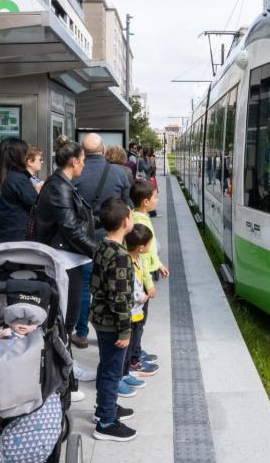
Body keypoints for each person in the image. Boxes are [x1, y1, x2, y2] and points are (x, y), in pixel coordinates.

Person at [32, 136, 95, 398]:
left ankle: (67, 366)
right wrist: (99, 250)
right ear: (73, 161)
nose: (84, 165)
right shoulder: (59, 187)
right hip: (63, 259)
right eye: (82, 161)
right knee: (65, 316)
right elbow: (69, 227)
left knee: (68, 314)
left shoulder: (63, 184)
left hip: (70, 258)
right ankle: (62, 378)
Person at [71, 133, 132, 349]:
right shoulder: (119, 173)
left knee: (86, 286)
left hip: (82, 238)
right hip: (112, 239)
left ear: (82, 151)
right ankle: (111, 331)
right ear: (103, 149)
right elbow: (127, 204)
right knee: (113, 285)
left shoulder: (75, 173)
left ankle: (81, 333)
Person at [90, 198, 138, 442]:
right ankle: (106, 422)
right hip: (112, 323)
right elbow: (118, 297)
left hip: (99, 318)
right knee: (112, 371)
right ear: (124, 222)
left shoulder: (103, 245)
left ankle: (104, 407)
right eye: (130, 215)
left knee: (105, 364)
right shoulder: (120, 255)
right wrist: (124, 330)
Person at [128, 179, 166, 376]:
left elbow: (148, 252)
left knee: (138, 322)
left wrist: (158, 264)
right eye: (155, 197)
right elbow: (141, 256)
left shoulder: (137, 215)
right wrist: (149, 284)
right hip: (142, 280)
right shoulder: (141, 222)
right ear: (145, 201)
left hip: (145, 274)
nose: (157, 200)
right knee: (138, 321)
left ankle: (136, 351)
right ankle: (134, 360)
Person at [120, 224, 154, 389]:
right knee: (126, 348)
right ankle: (122, 375)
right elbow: (133, 289)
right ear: (141, 247)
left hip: (136, 312)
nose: (150, 246)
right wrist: (144, 297)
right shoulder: (128, 264)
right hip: (130, 313)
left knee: (132, 344)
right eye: (148, 244)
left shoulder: (137, 259)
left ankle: (126, 373)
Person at [0, 138, 38, 245]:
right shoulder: (18, 179)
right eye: (24, 153)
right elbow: (36, 204)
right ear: (18, 155)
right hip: (18, 240)